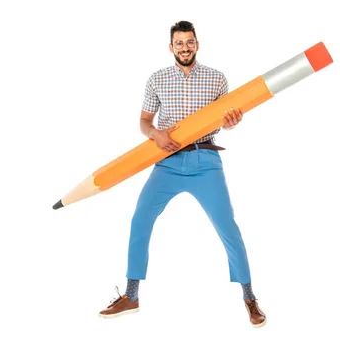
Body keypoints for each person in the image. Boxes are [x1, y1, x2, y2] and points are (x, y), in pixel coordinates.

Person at [99, 21, 266, 327]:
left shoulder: (217, 78)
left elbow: (225, 120)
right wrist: (155, 135)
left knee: (228, 228)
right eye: (179, 43)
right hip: (168, 162)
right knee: (140, 220)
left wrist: (232, 122)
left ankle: (249, 297)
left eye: (190, 42)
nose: (185, 48)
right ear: (171, 47)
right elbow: (144, 122)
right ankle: (131, 295)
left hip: (206, 161)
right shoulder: (157, 79)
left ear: (197, 44)